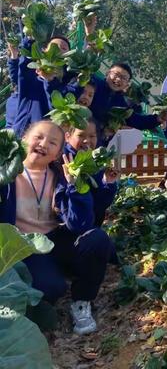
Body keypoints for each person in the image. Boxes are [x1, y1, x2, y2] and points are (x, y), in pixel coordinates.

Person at [0, 120, 112, 335]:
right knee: (51, 289)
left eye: (52, 143)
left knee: (97, 239)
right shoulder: (5, 174)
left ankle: (81, 301)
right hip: (24, 246)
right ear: (23, 140)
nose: (43, 144)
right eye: (38, 137)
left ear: (58, 153)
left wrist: (74, 187)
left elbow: (80, 224)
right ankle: (52, 277)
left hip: (54, 239)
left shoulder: (62, 175)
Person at [64, 120, 119, 227]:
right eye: (81, 135)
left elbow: (99, 204)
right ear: (67, 137)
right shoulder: (63, 161)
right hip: (68, 229)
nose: (87, 140)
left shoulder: (95, 162)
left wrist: (107, 183)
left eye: (92, 136)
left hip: (90, 227)